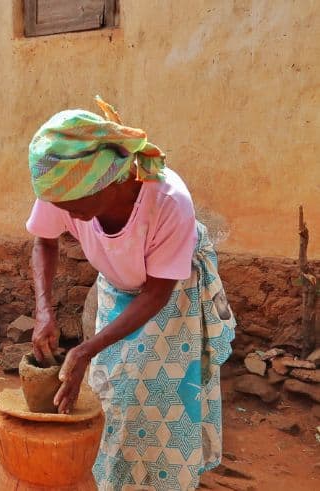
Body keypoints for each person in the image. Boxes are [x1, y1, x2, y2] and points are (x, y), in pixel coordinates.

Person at [26, 97, 235, 490]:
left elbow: (157, 293)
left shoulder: (168, 201)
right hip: (118, 287)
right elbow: (45, 241)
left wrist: (87, 348)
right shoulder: (64, 185)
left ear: (110, 179)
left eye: (73, 206)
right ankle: (114, 481)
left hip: (174, 296)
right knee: (114, 395)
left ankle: (166, 481)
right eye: (60, 206)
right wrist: (44, 310)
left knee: (163, 404)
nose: (67, 215)